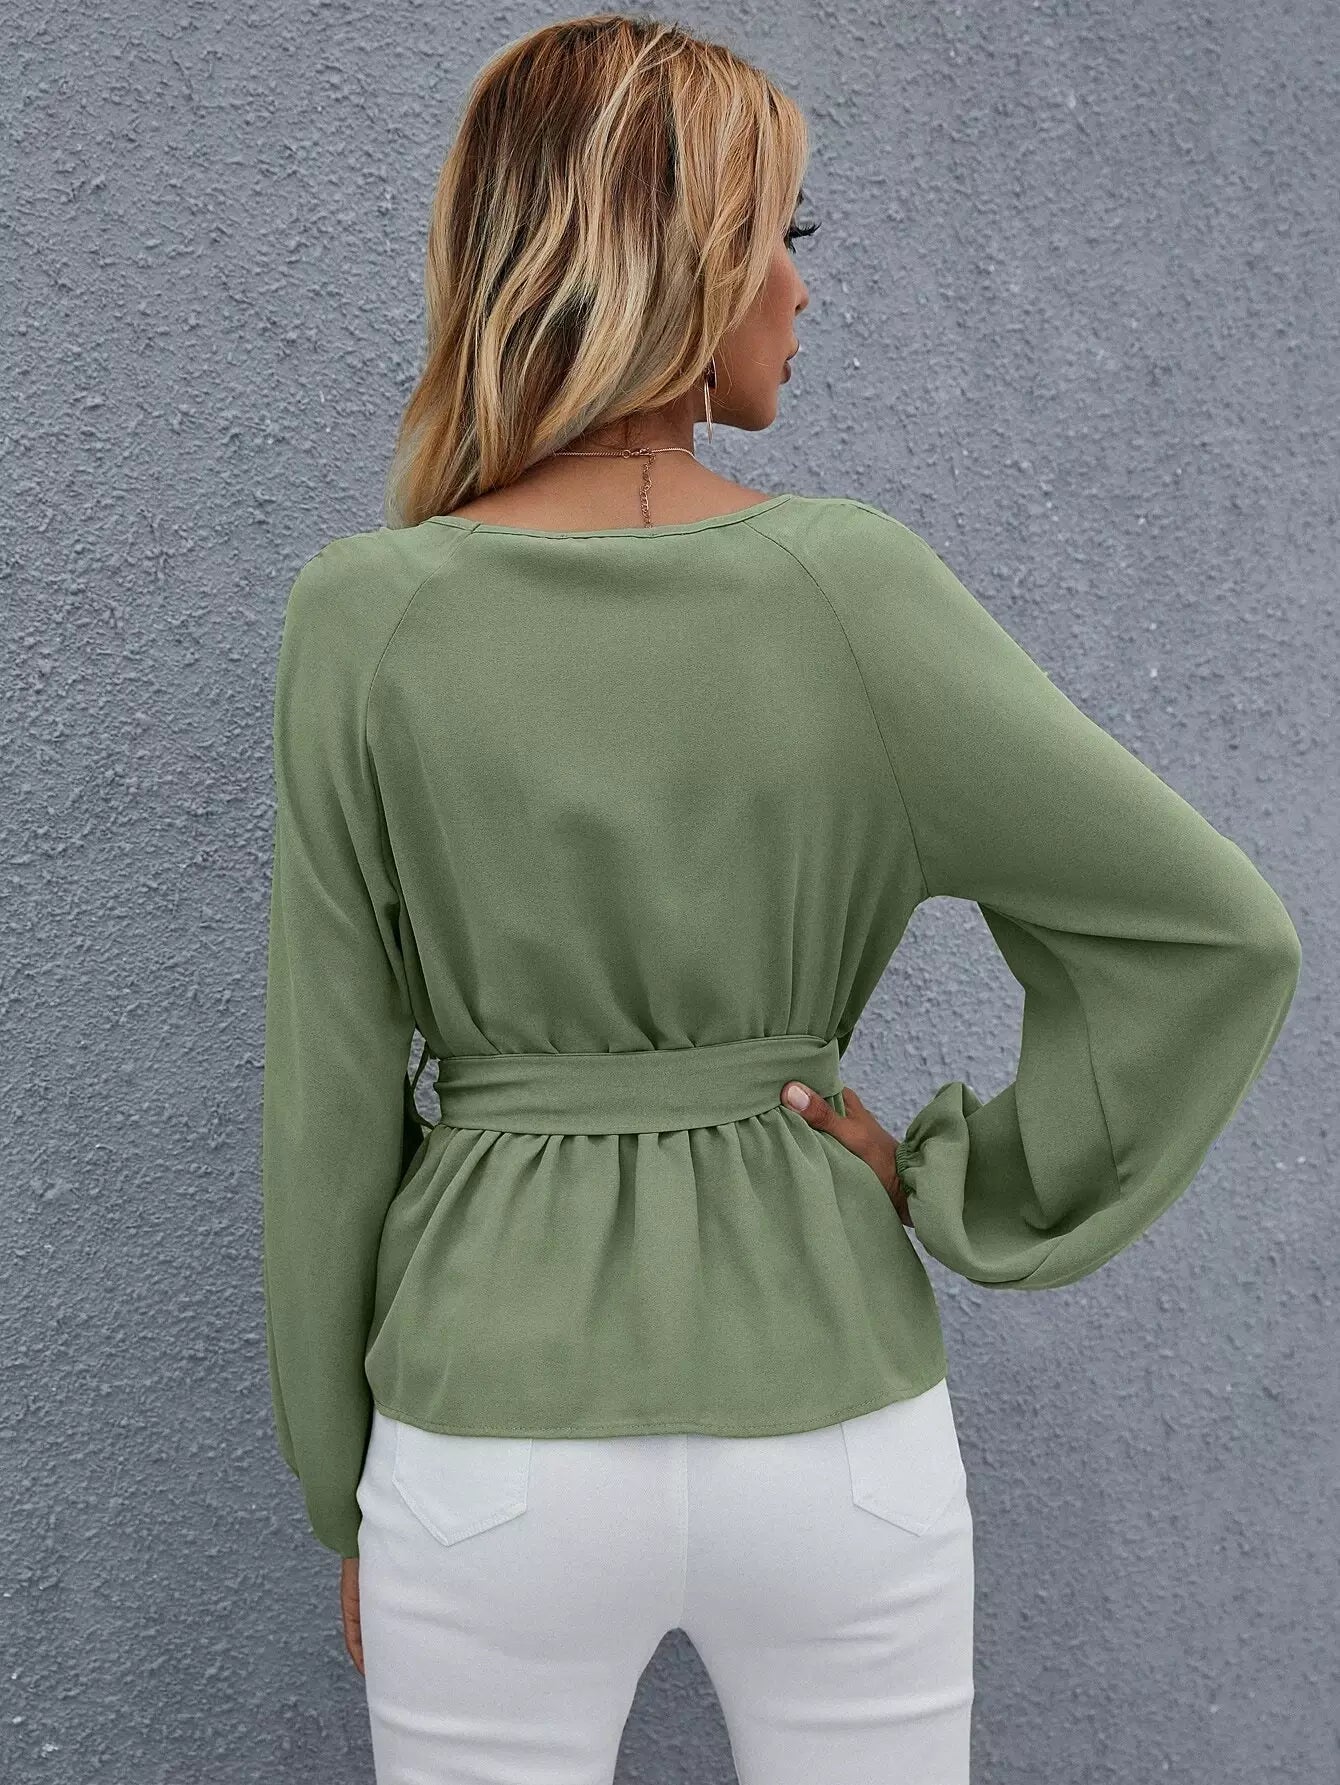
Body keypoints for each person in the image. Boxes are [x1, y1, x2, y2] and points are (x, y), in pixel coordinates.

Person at [259, 14, 1302, 1784]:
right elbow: (1215, 936)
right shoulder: (853, 588)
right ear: (673, 259)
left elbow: (329, 1108)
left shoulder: (367, 618)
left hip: (488, 1437)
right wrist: (966, 1176)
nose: (803, 289)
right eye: (780, 236)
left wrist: (340, 1485)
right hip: (835, 1430)